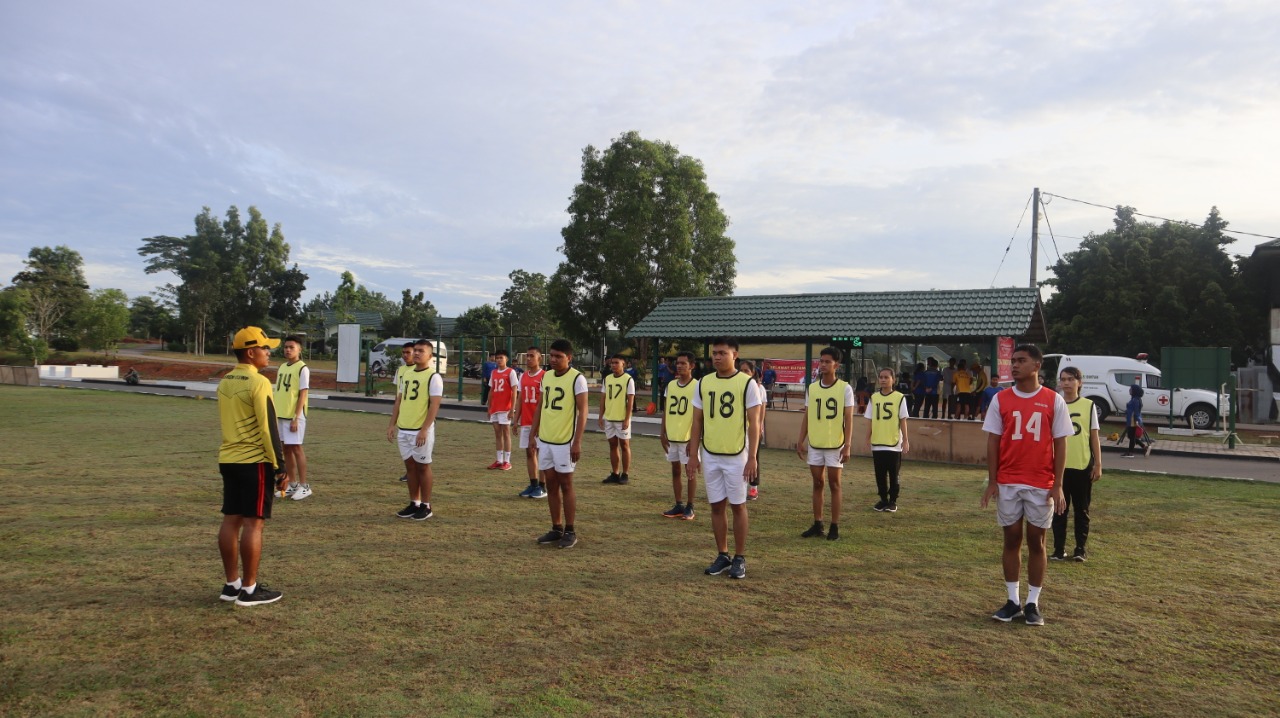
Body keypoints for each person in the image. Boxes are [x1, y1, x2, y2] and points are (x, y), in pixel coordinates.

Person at [980, 344, 1071, 626]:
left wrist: (1058, 484)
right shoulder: (1000, 399)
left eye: (1021, 360)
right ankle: (1012, 601)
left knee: (1037, 541)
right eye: (1013, 360)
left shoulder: (1054, 400)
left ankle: (1033, 603)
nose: (1014, 365)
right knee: (1011, 539)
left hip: (1041, 483)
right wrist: (993, 481)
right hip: (1008, 481)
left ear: (1036, 366)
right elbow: (993, 441)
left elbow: (1060, 443)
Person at [216, 326, 287, 607]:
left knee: (230, 520)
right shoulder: (258, 383)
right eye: (265, 348)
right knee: (253, 524)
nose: (269, 352)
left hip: (228, 459)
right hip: (253, 461)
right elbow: (268, 427)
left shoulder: (224, 381)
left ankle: (231, 584)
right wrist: (279, 466)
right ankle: (249, 589)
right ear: (250, 352)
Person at [687, 337, 762, 580]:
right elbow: (697, 420)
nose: (717, 357)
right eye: (714, 353)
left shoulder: (747, 383)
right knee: (716, 506)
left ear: (735, 355)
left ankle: (740, 557)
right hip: (710, 453)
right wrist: (693, 454)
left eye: (722, 353)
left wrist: (752, 457)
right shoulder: (704, 383)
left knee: (738, 506)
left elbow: (755, 424)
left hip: (737, 455)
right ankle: (723, 554)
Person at [531, 339, 590, 549]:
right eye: (552, 355)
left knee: (566, 484)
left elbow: (584, 412)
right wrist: (533, 432)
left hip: (565, 441)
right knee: (551, 484)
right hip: (546, 439)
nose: (554, 360)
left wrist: (577, 442)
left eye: (559, 356)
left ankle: (570, 530)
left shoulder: (577, 379)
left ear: (569, 358)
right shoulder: (546, 376)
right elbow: (540, 405)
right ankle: (556, 528)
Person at [796, 347, 856, 539]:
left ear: (836, 365)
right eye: (821, 361)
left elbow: (849, 419)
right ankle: (817, 523)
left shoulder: (845, 388)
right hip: (815, 443)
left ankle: (835, 526)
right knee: (817, 482)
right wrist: (800, 439)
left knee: (835, 484)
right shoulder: (812, 388)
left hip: (835, 445)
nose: (823, 365)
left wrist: (847, 445)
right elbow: (807, 415)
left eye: (827, 362)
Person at [387, 339, 444, 521]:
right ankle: (414, 502)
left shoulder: (433, 376)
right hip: (404, 428)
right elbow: (399, 400)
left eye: (421, 351)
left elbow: (434, 405)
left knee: (423, 466)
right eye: (415, 350)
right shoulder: (407, 373)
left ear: (430, 355)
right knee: (410, 467)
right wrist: (392, 424)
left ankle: (426, 506)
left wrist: (424, 429)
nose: (417, 353)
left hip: (420, 430)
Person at [1052, 367, 1103, 562]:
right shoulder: (1055, 403)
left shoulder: (1088, 405)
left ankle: (1080, 549)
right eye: (1063, 379)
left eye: (1070, 379)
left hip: (1082, 466)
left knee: (1082, 510)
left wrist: (1098, 464)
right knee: (1059, 510)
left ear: (1079, 382)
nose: (1066, 383)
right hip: (1059, 468)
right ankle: (1058, 549)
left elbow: (1094, 437)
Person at [660, 351, 698, 521]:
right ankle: (678, 504)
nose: (680, 366)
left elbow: (700, 416)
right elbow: (666, 411)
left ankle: (690, 506)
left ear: (692, 366)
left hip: (687, 437)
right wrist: (662, 432)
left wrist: (694, 439)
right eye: (678, 363)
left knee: (690, 472)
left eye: (683, 363)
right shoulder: (671, 385)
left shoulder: (697, 386)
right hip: (672, 435)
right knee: (675, 470)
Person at [273, 335, 312, 501]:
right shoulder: (282, 367)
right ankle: (292, 483)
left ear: (299, 349)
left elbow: (303, 394)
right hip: (281, 414)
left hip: (294, 415)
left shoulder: (303, 368)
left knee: (296, 448)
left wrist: (296, 417)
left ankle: (304, 486)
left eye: (292, 347)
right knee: (285, 449)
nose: (288, 350)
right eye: (286, 347)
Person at [866, 367, 910, 512]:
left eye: (886, 377)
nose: (883, 380)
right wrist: (867, 438)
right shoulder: (874, 397)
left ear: (893, 379)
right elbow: (870, 420)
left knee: (893, 474)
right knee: (879, 474)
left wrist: (906, 440)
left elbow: (903, 420)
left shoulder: (899, 397)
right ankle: (883, 499)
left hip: (894, 443)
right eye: (881, 377)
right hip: (878, 443)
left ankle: (893, 501)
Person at [599, 353, 636, 485]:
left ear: (623, 364)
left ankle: (625, 473)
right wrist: (601, 416)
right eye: (612, 363)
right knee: (612, 445)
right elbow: (603, 398)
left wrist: (627, 419)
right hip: (609, 417)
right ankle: (615, 473)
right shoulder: (607, 378)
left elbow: (631, 401)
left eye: (616, 363)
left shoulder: (628, 379)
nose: (613, 365)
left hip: (621, 418)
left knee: (624, 445)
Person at [516, 347, 548, 499]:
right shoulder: (523, 376)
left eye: (532, 356)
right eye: (527, 356)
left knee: (541, 453)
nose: (528, 359)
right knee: (529, 452)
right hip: (526, 421)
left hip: (541, 422)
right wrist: (515, 419)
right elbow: (521, 398)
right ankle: (533, 483)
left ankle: (542, 486)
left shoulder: (545, 376)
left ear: (539, 358)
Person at [737, 358, 767, 500]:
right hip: (738, 429)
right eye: (741, 370)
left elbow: (761, 410)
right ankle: (738, 486)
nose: (743, 373)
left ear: (753, 372)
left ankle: (753, 488)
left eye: (746, 371)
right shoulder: (736, 385)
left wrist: (760, 425)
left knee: (753, 457)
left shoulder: (758, 388)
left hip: (753, 429)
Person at [486, 349, 518, 471]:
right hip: (495, 408)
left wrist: (512, 409)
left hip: (505, 408)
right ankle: (499, 460)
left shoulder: (511, 372)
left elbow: (514, 391)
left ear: (506, 359)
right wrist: (489, 408)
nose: (499, 360)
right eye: (497, 358)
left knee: (506, 433)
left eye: (501, 358)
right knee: (497, 434)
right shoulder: (494, 372)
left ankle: (507, 461)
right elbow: (491, 390)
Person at [392, 342, 415, 483]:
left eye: (408, 352)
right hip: (404, 413)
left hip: (417, 414)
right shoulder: (400, 370)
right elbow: (398, 396)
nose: (406, 355)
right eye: (404, 352)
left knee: (417, 447)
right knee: (406, 446)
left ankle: (417, 473)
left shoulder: (423, 371)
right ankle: (410, 472)